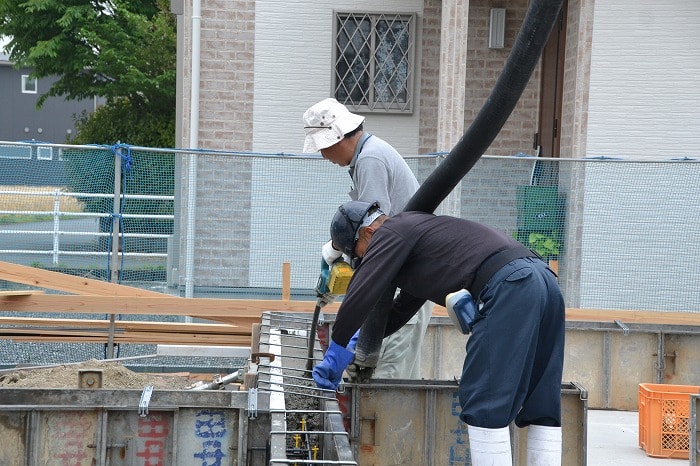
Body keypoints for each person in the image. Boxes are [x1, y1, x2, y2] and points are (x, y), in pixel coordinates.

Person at [312, 201, 565, 465]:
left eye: (357, 254)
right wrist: (358, 338)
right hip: (544, 280)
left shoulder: (389, 232)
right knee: (541, 402)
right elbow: (400, 310)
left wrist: (336, 350)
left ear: (366, 234)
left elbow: (360, 294)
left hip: (510, 287)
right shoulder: (416, 236)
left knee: (485, 402)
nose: (363, 260)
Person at [303, 97, 433, 380]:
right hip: (402, 283)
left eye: (323, 148)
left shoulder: (370, 160)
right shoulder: (369, 155)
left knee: (390, 380)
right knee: (386, 374)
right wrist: (334, 251)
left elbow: (375, 237)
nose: (324, 156)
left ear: (336, 137)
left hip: (404, 290)